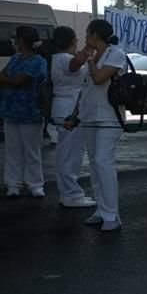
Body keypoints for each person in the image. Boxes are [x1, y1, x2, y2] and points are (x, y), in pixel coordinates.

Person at [72, 20, 128, 231]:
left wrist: (90, 60)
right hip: (90, 117)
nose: (85, 38)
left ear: (95, 35)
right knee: (95, 165)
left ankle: (112, 216)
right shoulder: (94, 57)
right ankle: (101, 209)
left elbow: (99, 79)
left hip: (109, 118)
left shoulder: (116, 54)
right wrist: (75, 115)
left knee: (104, 163)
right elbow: (85, 90)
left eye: (87, 34)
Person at [48, 26, 95, 207]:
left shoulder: (56, 58)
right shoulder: (66, 59)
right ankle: (71, 195)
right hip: (70, 110)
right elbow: (74, 65)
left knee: (65, 154)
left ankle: (68, 193)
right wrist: (88, 48)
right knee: (71, 155)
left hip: (63, 108)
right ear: (73, 41)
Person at [0, 26, 48, 199]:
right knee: (12, 150)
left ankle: (35, 184)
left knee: (31, 150)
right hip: (11, 110)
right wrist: (9, 80)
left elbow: (17, 81)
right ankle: (13, 184)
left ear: (21, 40)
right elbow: (8, 77)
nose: (13, 41)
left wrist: (8, 81)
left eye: (15, 38)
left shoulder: (38, 61)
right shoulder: (15, 58)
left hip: (30, 111)